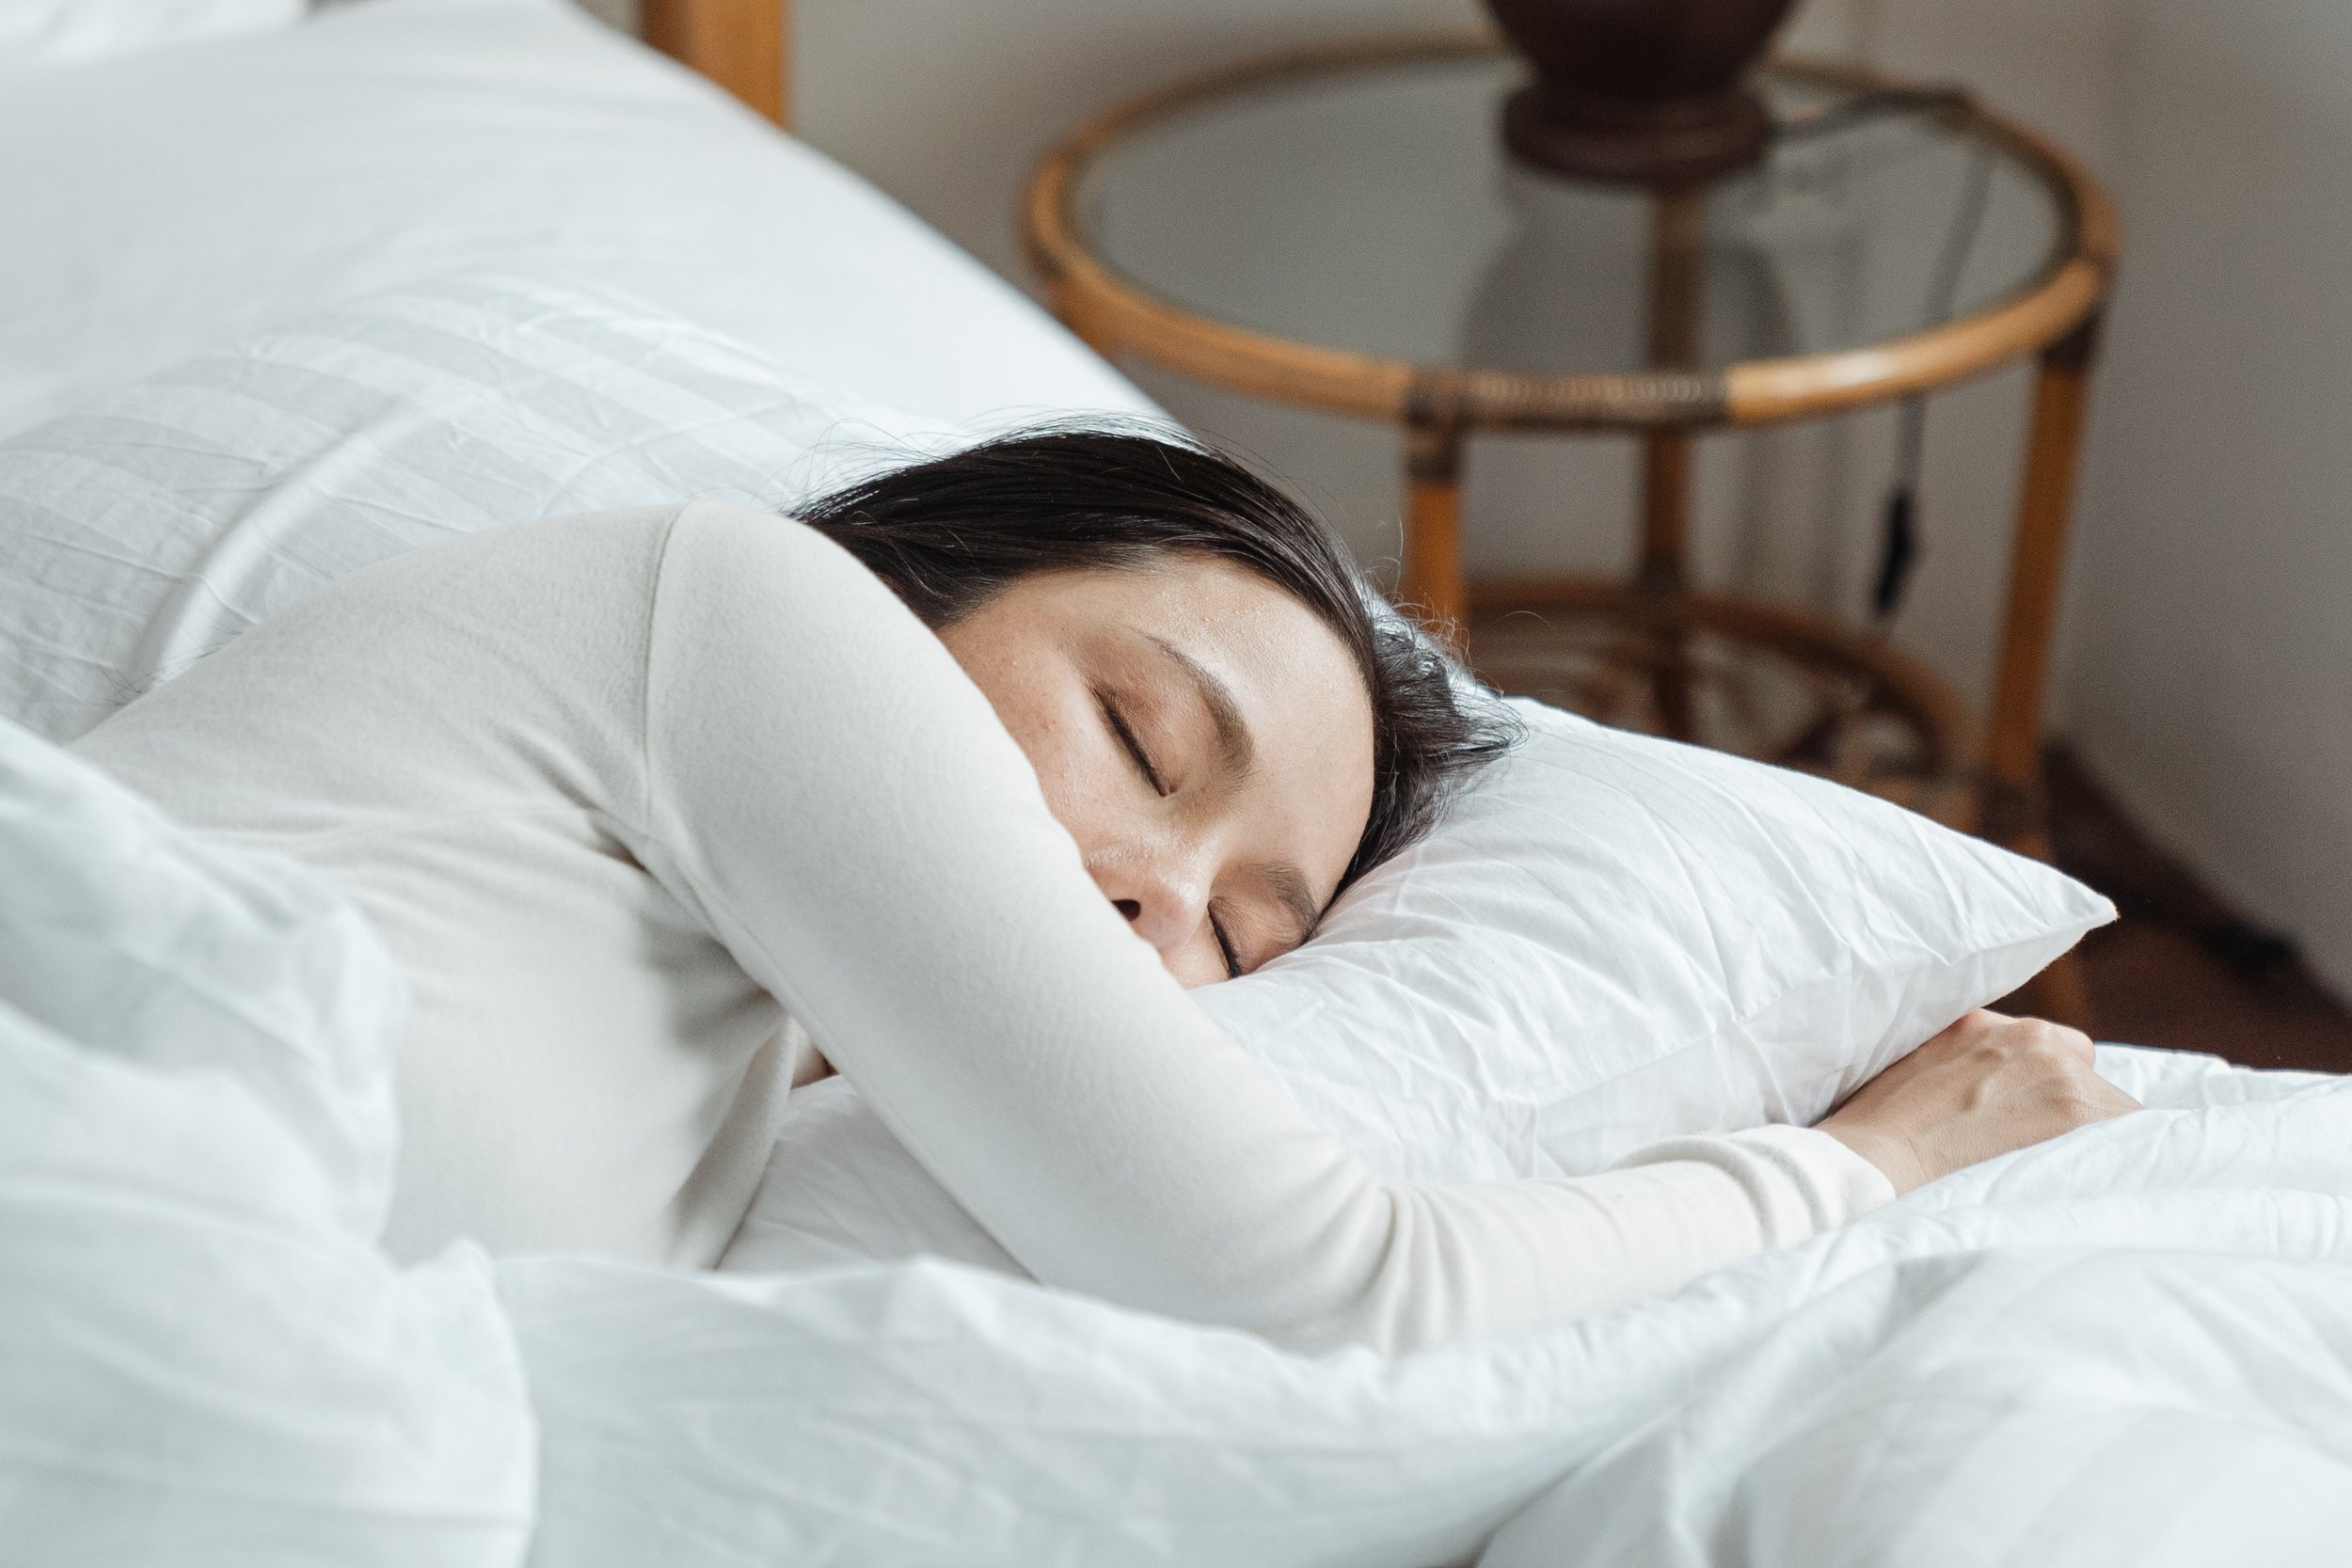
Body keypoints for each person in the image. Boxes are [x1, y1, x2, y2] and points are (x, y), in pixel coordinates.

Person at [72, 427, 2137, 1354]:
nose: (1154, 902)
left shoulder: (717, 1063)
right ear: (905, 575)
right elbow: (1334, 1285)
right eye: (1145, 744)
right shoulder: (734, 604)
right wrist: (1856, 1163)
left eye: (1244, 937)